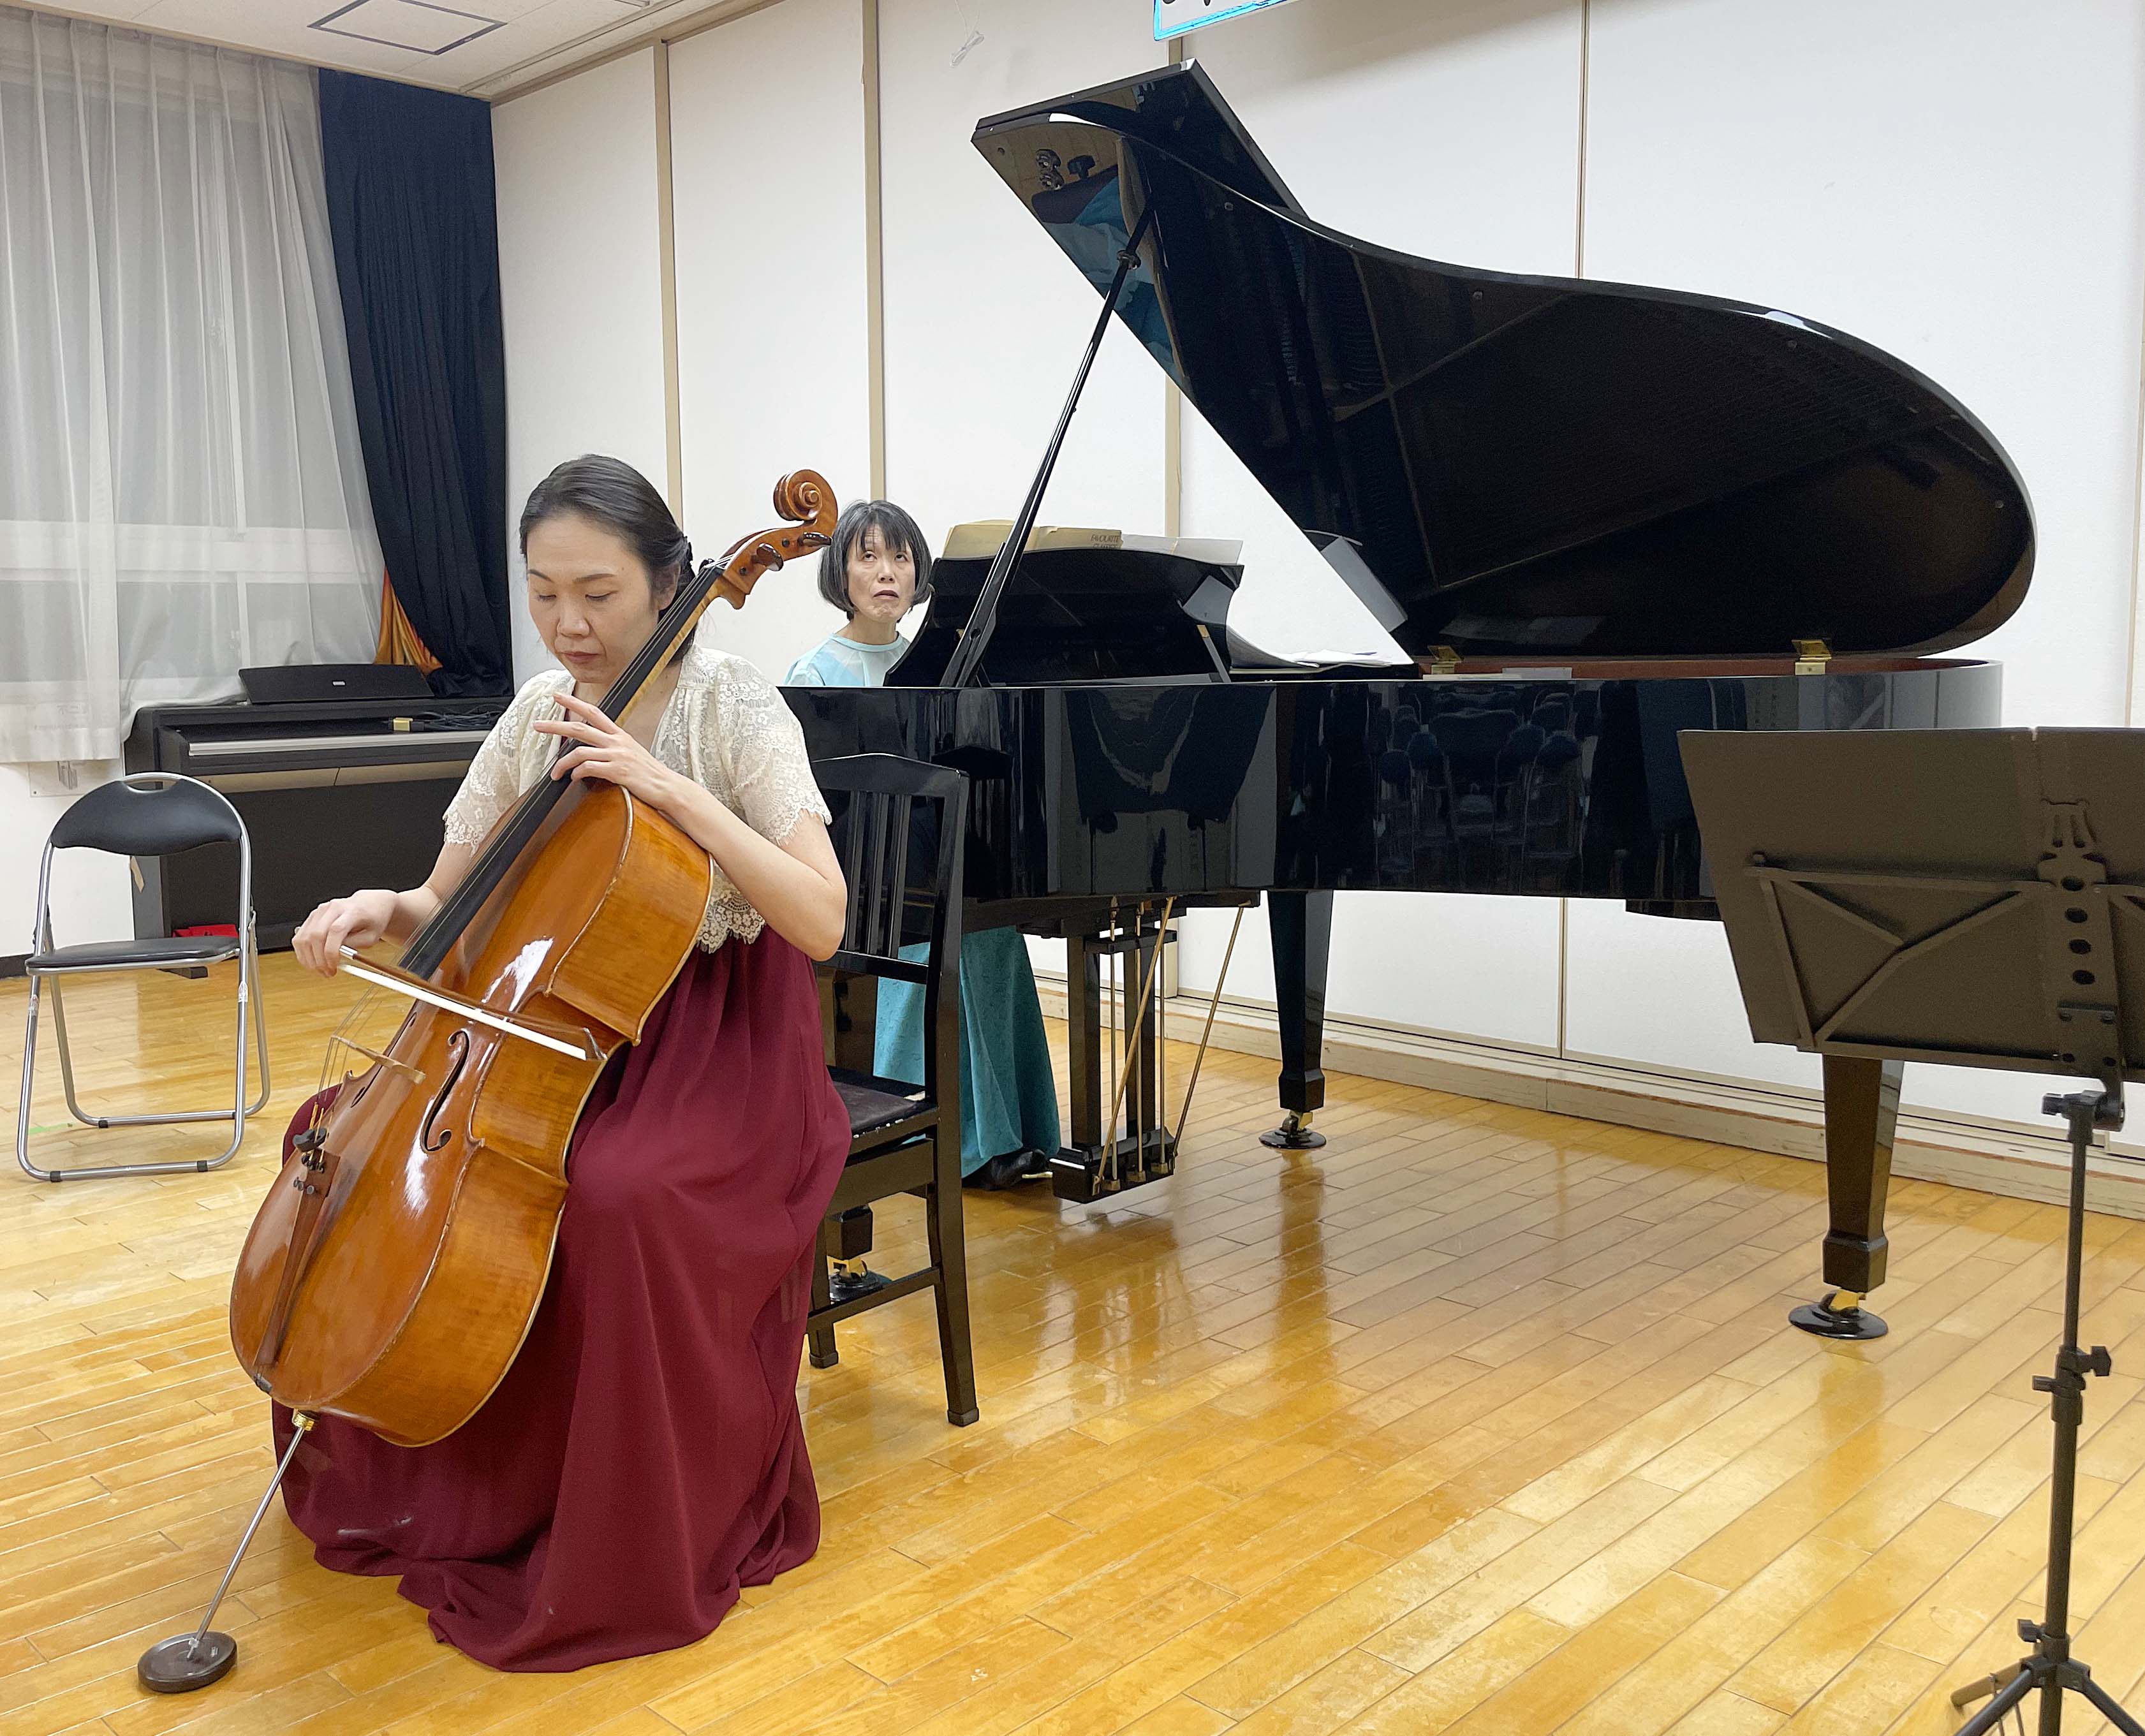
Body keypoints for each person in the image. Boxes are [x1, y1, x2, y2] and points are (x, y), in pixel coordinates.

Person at [277, 455, 852, 1672]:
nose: (567, 623)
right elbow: (446, 901)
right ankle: (464, 1475)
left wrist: (667, 790)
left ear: (666, 584)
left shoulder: (733, 704)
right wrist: (379, 906)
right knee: (332, 1137)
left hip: (718, 1043)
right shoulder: (537, 709)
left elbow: (819, 917)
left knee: (614, 1196)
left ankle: (620, 1521)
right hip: (560, 1028)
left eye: (596, 592)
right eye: (542, 593)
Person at [787, 500, 1061, 1192]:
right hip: (863, 876)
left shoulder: (941, 662)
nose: (887, 572)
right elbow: (813, 802)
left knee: (993, 932)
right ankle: (941, 1137)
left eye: (901, 557)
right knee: (932, 936)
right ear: (841, 572)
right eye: (869, 557)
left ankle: (1013, 1131)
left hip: (937, 860)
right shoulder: (813, 672)